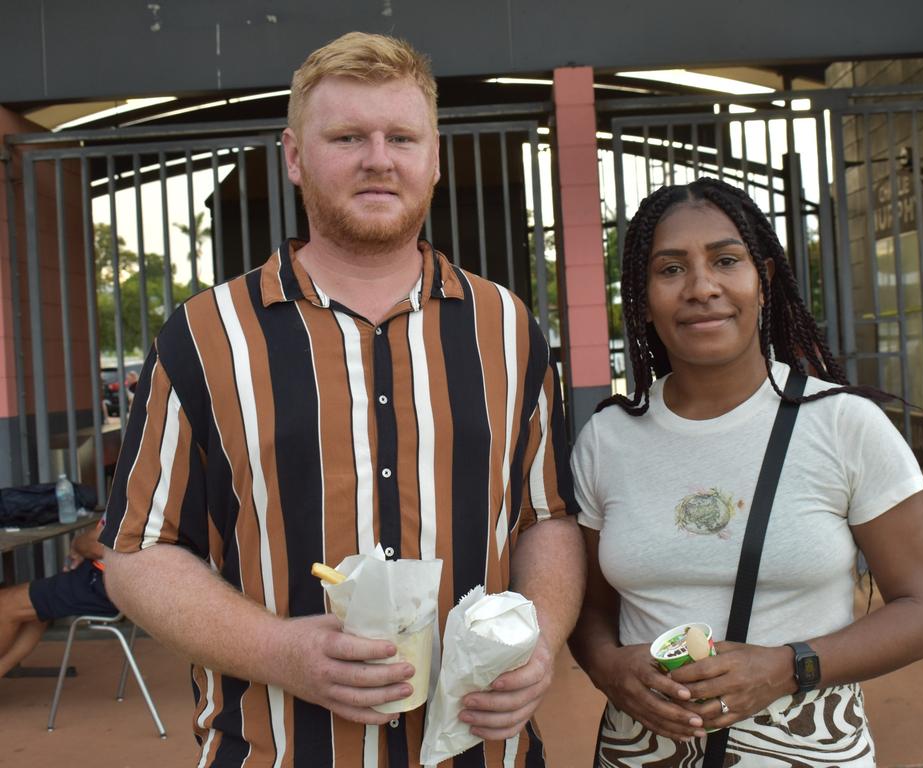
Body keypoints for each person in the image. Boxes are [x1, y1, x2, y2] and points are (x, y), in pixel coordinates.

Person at [99, 31, 584, 767]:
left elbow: (544, 520)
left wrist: (540, 643)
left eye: (401, 137)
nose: (378, 159)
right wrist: (279, 650)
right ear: (295, 157)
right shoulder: (205, 335)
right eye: (347, 136)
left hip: (485, 753)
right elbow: (137, 550)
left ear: (434, 157)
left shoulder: (509, 328)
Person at [569, 179, 923, 766]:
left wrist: (785, 667)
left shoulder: (844, 425)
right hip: (641, 752)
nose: (702, 288)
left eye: (726, 261)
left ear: (764, 280)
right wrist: (608, 667)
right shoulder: (608, 439)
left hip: (808, 752)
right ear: (642, 298)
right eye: (670, 270)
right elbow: (592, 611)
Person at [0, 524, 114, 679]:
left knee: (6, 604)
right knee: (36, 608)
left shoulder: (135, 501)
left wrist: (78, 543)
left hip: (104, 583)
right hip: (109, 580)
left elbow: (100, 544)